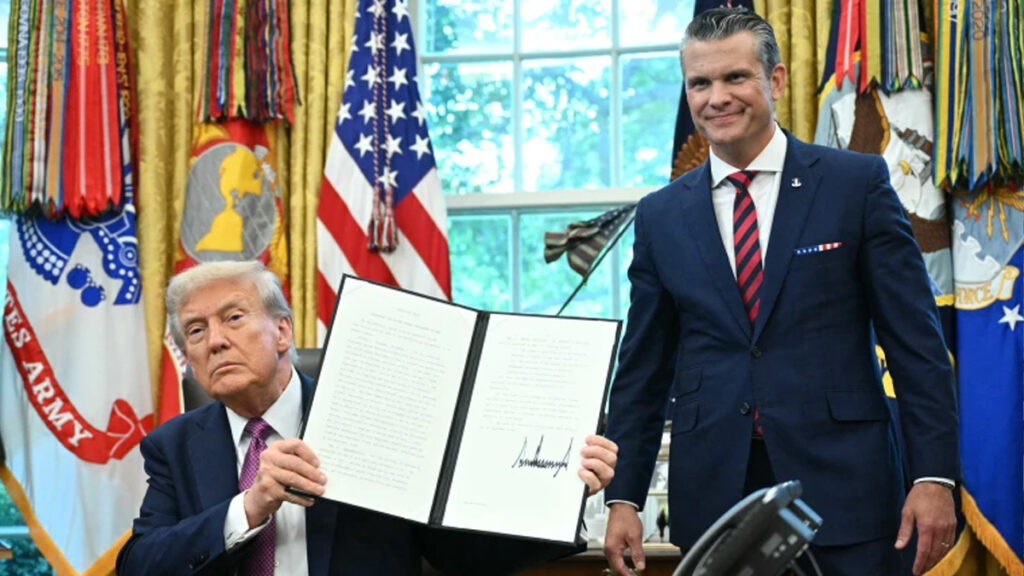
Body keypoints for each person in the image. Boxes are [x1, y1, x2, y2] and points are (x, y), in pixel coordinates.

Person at [601, 7, 958, 576]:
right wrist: (624, 497)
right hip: (715, 500)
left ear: (776, 79)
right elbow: (642, 372)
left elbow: (917, 345)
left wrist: (934, 477)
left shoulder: (855, 184)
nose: (716, 97)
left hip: (847, 493)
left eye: (735, 77)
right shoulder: (660, 216)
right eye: (700, 83)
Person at [116, 260, 619, 576]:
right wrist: (250, 507)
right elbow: (138, 565)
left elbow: (458, 557)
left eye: (233, 318)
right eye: (195, 331)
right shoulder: (173, 445)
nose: (215, 341)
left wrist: (560, 496)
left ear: (283, 331)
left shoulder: (375, 413)